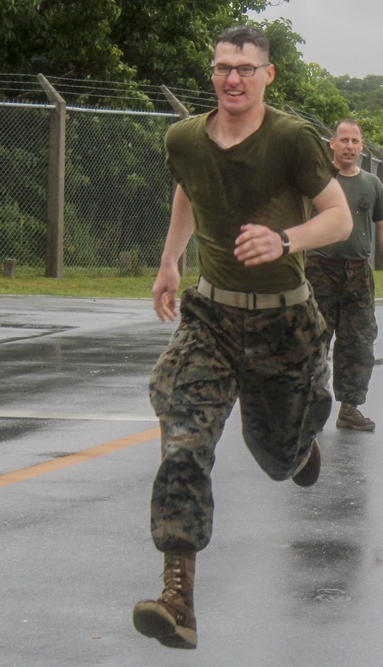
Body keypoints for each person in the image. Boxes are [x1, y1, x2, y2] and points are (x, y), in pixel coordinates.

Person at [131, 25, 352, 650]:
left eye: (246, 69)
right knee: (183, 439)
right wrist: (171, 261)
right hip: (212, 318)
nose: (234, 79)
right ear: (213, 73)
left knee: (276, 458)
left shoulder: (289, 138)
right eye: (224, 67)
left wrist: (285, 239)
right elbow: (188, 191)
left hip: (285, 322)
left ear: (267, 76)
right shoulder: (184, 138)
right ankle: (178, 597)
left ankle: (301, 439)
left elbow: (338, 217)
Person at [307, 119, 383, 431]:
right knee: (313, 338)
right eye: (343, 140)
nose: (349, 146)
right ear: (332, 143)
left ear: (362, 146)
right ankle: (309, 407)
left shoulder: (371, 184)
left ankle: (350, 407)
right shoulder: (316, 179)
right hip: (319, 269)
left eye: (355, 141)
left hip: (358, 273)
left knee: (358, 342)